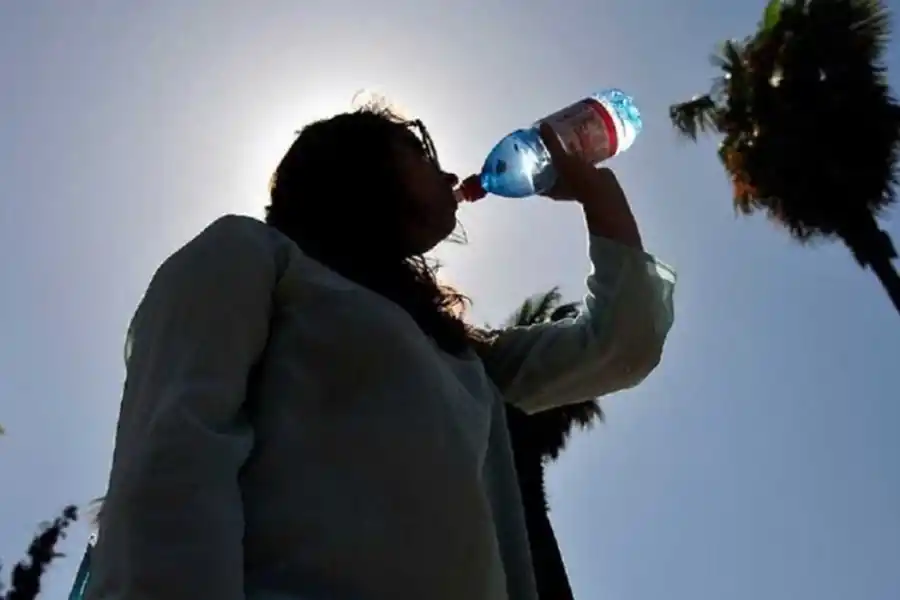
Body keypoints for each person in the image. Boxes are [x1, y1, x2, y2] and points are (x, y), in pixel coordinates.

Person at [86, 104, 676, 600]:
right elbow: (173, 460)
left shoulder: (459, 357)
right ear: (355, 170)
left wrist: (597, 194)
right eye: (419, 153)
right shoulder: (250, 255)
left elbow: (621, 345)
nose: (449, 174)